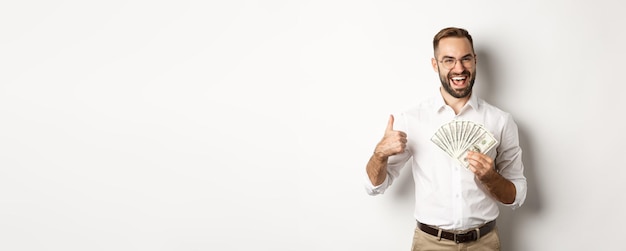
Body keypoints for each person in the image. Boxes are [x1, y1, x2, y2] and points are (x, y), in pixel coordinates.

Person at [364, 27, 527, 251]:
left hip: (484, 243)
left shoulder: (500, 121)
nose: (459, 68)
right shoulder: (412, 119)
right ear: (435, 65)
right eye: (448, 60)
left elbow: (516, 195)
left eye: (465, 59)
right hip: (430, 243)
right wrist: (379, 155)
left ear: (475, 61)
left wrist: (491, 178)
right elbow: (374, 187)